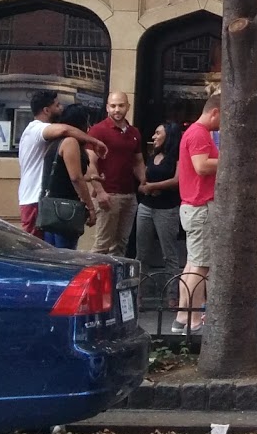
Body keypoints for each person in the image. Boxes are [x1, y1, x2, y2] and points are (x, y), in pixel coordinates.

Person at [16, 90, 106, 238]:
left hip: (40, 199)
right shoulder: (37, 129)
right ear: (46, 110)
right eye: (57, 105)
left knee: (47, 251)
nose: (61, 108)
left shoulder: (49, 138)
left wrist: (91, 178)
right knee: (36, 251)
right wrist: (94, 141)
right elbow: (65, 129)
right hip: (35, 199)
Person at [173, 94, 221, 333]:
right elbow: (201, 166)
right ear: (215, 112)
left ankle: (182, 316)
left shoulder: (194, 132)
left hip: (193, 205)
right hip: (200, 206)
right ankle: (191, 319)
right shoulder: (200, 133)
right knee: (202, 266)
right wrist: (228, 160)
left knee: (193, 264)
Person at [86, 91, 143, 255]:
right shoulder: (98, 131)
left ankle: (114, 280)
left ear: (128, 107)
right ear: (107, 108)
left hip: (129, 195)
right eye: (113, 106)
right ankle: (93, 279)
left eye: (121, 105)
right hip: (108, 195)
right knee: (102, 245)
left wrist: (144, 182)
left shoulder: (134, 133)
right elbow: (91, 163)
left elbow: (138, 161)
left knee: (120, 246)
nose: (117, 110)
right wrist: (100, 191)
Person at [39, 103, 100, 251]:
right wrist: (90, 207)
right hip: (65, 209)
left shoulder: (54, 142)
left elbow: (62, 175)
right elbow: (75, 177)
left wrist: (91, 178)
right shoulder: (70, 142)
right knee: (66, 253)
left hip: (50, 208)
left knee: (52, 254)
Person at [135, 121, 185, 282]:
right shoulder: (153, 155)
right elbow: (144, 177)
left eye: (158, 133)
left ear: (168, 136)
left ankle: (172, 295)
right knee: (141, 253)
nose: (154, 137)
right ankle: (139, 294)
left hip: (167, 209)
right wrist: (145, 186)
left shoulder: (177, 157)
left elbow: (177, 180)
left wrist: (153, 186)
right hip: (146, 206)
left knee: (169, 253)